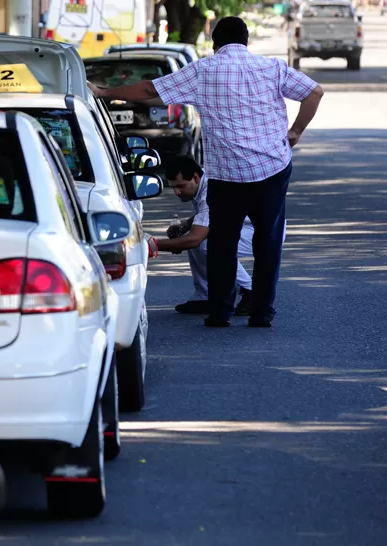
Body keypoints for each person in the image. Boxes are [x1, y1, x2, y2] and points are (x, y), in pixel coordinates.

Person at [90, 16, 323, 328]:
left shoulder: (203, 71)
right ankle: (262, 312)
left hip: (227, 174)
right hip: (271, 168)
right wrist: (295, 132)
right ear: (246, 42)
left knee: (222, 243)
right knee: (267, 242)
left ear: (215, 44)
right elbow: (314, 92)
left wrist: (104, 92)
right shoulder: (273, 68)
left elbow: (148, 89)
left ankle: (220, 311)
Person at [149, 155, 290, 316]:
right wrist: (186, 225)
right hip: (248, 225)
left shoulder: (209, 190)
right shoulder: (202, 182)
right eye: (172, 187)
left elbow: (196, 238)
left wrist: (151, 244)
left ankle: (251, 291)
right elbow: (206, 216)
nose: (176, 192)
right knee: (197, 238)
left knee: (205, 243)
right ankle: (205, 296)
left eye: (180, 186)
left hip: (264, 231)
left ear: (195, 177)